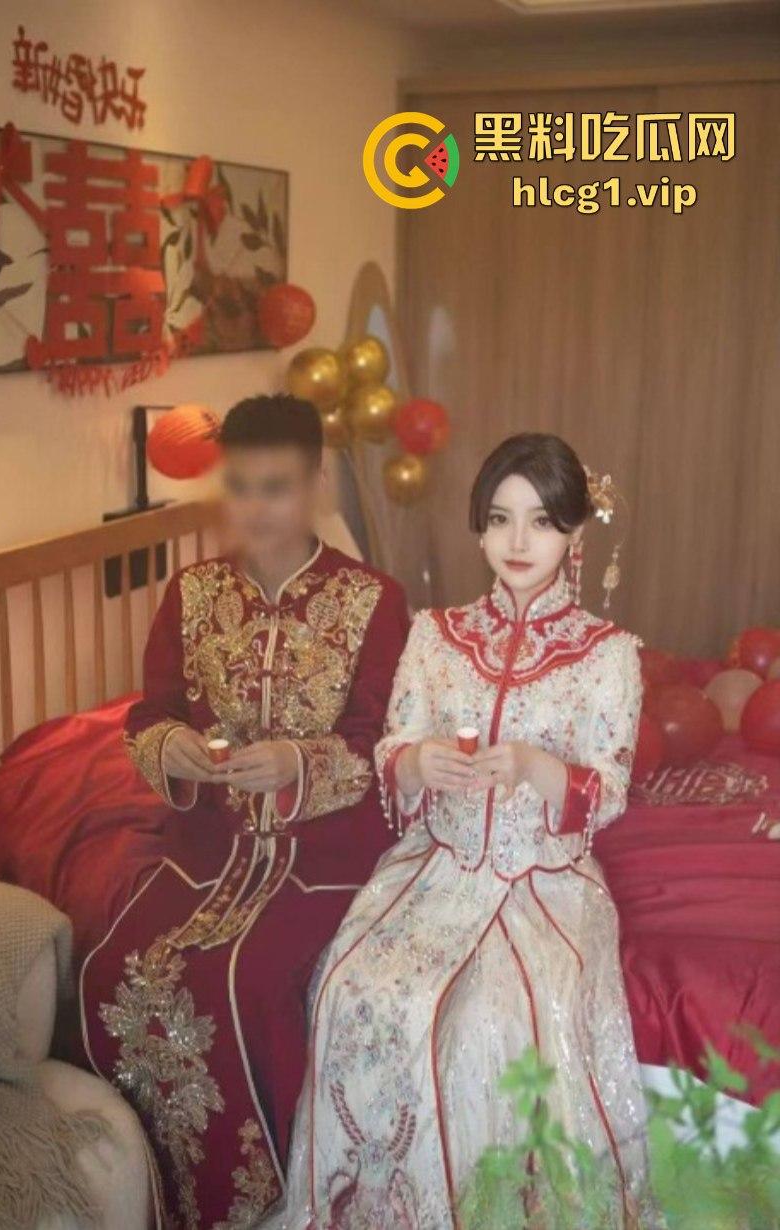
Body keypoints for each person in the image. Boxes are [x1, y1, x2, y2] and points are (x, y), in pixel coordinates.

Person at [265, 432, 657, 1229]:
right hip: (434, 870)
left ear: (574, 533)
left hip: (542, 884)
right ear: (478, 528)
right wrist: (418, 764)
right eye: (500, 519)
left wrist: (536, 768)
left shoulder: (608, 654)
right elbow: (392, 747)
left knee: (488, 1019)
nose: (518, 541)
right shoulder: (435, 635)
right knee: (351, 983)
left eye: (541, 522)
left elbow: (609, 790)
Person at [80, 393, 410, 1229]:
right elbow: (150, 714)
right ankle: (158, 1197)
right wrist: (172, 750)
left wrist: (299, 762)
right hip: (209, 844)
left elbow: (379, 740)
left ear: (317, 483)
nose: (258, 509)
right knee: (120, 968)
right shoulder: (191, 593)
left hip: (323, 847)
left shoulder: (372, 600)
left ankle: (277, 1200)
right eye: (242, 488)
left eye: (278, 487)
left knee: (253, 978)